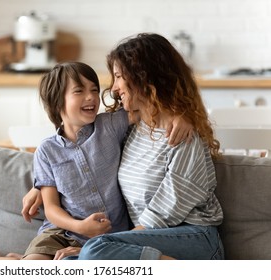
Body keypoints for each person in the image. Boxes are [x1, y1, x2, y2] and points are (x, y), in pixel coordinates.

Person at [0, 61, 192, 260]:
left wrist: (181, 116)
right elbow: (51, 209)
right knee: (32, 269)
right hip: (61, 232)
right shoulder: (47, 151)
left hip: (111, 233)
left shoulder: (110, 125)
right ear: (57, 101)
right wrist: (79, 227)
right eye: (79, 91)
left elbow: (150, 108)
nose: (91, 97)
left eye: (94, 89)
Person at [76, 33, 224, 260]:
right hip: (150, 239)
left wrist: (102, 246)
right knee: (68, 262)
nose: (114, 88)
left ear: (144, 78)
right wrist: (44, 186)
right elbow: (84, 155)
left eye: (118, 76)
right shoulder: (132, 130)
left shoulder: (183, 136)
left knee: (94, 251)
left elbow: (163, 213)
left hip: (194, 238)